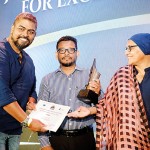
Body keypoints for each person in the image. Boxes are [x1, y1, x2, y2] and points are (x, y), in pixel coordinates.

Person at [68, 33, 150, 149]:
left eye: (130, 48)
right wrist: (89, 111)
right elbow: (109, 105)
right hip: (129, 142)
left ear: (146, 47)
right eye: (126, 49)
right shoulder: (122, 75)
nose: (126, 52)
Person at [36, 35, 100, 150]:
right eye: (62, 50)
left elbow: (103, 106)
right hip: (57, 139)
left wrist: (98, 94)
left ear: (77, 53)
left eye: (71, 50)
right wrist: (45, 145)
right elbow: (40, 116)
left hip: (85, 139)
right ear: (56, 55)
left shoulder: (88, 75)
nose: (66, 53)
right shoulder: (47, 80)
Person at [0, 12, 47, 150]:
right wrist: (29, 121)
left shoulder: (29, 61)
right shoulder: (1, 52)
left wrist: (32, 101)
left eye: (31, 31)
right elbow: (2, 93)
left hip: (15, 130)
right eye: (21, 29)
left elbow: (31, 88)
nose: (25, 34)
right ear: (12, 28)